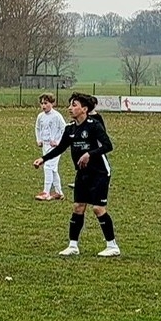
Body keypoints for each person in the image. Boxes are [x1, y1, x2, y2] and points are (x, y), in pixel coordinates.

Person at [33, 92, 121, 257]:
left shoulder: (94, 125)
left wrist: (89, 154)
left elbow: (108, 146)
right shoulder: (70, 129)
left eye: (74, 105)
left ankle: (112, 246)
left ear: (84, 109)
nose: (70, 108)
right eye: (70, 105)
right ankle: (73, 246)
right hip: (82, 173)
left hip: (100, 172)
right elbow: (60, 148)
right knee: (78, 207)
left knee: (98, 208)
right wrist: (43, 159)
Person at [34, 93, 67, 201]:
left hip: (55, 147)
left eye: (46, 103)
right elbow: (37, 128)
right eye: (42, 103)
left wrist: (58, 141)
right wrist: (39, 139)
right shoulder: (40, 116)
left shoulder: (57, 116)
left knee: (47, 166)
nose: (43, 106)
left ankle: (46, 192)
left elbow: (65, 129)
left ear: (52, 103)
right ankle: (59, 192)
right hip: (45, 145)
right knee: (53, 169)